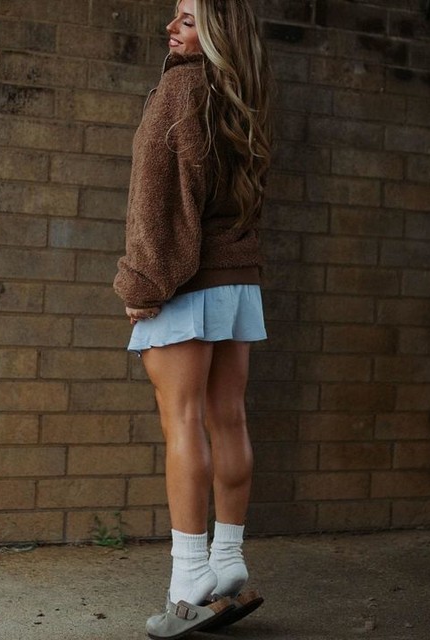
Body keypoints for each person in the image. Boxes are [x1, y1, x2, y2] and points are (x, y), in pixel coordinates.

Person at [113, 1, 272, 637]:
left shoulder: (180, 91)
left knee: (182, 421)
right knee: (227, 417)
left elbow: (157, 199)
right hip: (238, 282)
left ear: (215, 30)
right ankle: (228, 561)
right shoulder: (243, 96)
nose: (171, 28)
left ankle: (188, 579)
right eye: (174, 17)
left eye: (186, 19)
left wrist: (142, 283)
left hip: (187, 281)